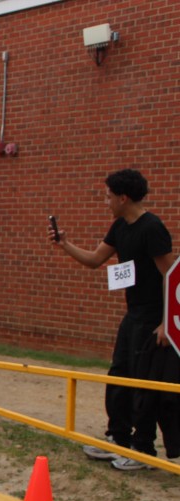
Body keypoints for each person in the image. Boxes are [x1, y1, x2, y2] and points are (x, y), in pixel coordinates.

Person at [50, 168, 173, 471]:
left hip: (153, 319)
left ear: (123, 198)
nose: (106, 202)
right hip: (133, 315)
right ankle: (118, 438)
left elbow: (172, 276)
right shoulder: (120, 227)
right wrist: (65, 244)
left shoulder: (152, 228)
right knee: (118, 374)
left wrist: (167, 323)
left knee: (143, 383)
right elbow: (95, 260)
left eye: (108, 197)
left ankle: (143, 450)